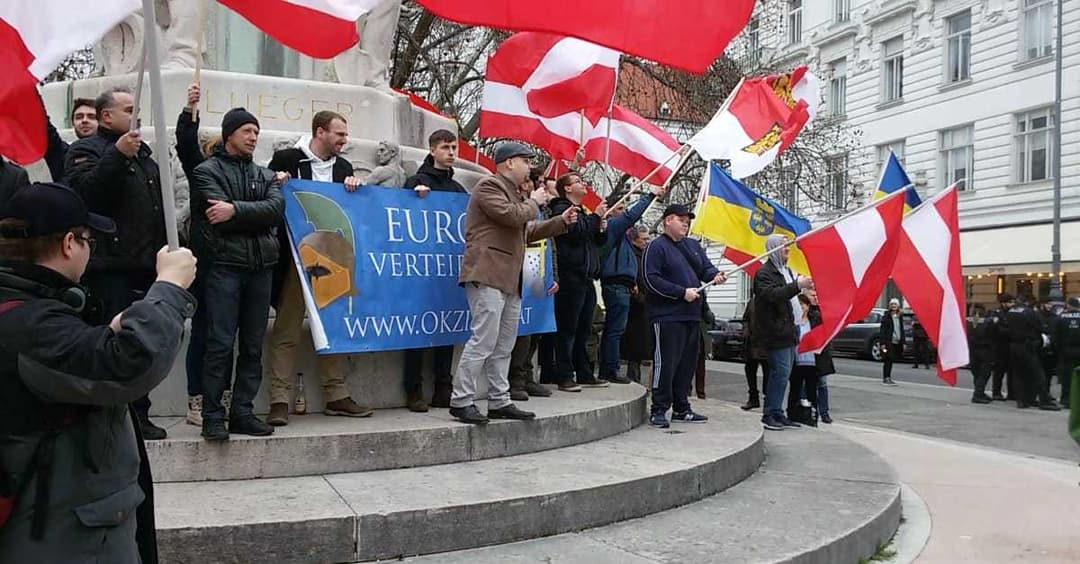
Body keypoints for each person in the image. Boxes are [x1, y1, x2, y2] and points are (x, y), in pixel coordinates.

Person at [0, 182, 196, 564]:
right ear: (69, 244)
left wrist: (104, 334)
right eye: (90, 240)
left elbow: (65, 365)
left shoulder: (26, 309)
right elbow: (127, 367)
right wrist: (169, 288)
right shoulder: (27, 324)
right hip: (60, 533)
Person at [64, 86, 169, 440]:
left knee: (141, 343)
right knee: (112, 343)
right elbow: (86, 196)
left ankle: (139, 414)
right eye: (128, 109)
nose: (135, 115)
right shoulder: (86, 150)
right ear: (106, 116)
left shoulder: (145, 155)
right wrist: (117, 157)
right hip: (110, 268)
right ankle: (109, 415)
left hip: (144, 265)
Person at [450, 142, 576, 424]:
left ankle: (499, 400)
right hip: (487, 273)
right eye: (525, 161)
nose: (529, 168)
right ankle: (461, 400)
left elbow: (525, 231)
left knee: (504, 345)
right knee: (483, 340)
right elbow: (512, 216)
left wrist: (559, 221)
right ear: (509, 163)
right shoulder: (489, 187)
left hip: (508, 278)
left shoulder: (514, 194)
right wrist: (536, 202)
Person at [266, 110, 369, 426]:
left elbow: (352, 213)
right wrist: (276, 182)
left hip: (333, 263)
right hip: (297, 262)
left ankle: (336, 394)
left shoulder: (343, 167)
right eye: (339, 134)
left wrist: (355, 188)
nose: (344, 140)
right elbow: (266, 198)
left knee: (335, 327)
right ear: (320, 132)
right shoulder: (286, 159)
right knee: (286, 330)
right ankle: (279, 400)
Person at [191, 107, 285, 440]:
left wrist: (237, 210)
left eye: (256, 132)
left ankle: (243, 411)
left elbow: (276, 209)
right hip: (224, 269)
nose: (253, 137)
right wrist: (249, 214)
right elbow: (216, 213)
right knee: (219, 344)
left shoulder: (265, 174)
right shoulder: (206, 171)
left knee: (253, 345)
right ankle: (213, 416)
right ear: (230, 134)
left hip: (261, 269)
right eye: (247, 131)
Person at [641, 204, 727, 428]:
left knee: (686, 365)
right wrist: (681, 293)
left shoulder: (693, 246)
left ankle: (681, 407)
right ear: (667, 220)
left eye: (687, 219)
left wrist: (715, 275)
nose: (686, 223)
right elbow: (650, 280)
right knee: (665, 364)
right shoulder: (656, 247)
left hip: (691, 316)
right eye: (681, 219)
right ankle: (659, 409)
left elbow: (705, 269)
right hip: (666, 316)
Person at [400, 130, 467, 411]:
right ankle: (413, 389)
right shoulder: (417, 182)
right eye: (445, 147)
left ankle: (443, 386)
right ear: (432, 149)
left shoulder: (457, 190)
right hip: (419, 271)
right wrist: (414, 199)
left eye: (454, 147)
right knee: (417, 329)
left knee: (446, 327)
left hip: (447, 268)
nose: (451, 152)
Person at [598, 186, 665, 384]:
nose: (623, 212)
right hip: (616, 285)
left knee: (616, 329)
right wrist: (651, 196)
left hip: (622, 285)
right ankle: (610, 368)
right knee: (615, 329)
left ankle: (609, 367)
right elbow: (631, 216)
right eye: (619, 208)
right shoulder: (611, 227)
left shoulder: (621, 236)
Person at [548, 172, 608, 390]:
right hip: (570, 276)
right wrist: (594, 219)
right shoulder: (561, 208)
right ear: (567, 189)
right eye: (578, 182)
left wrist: (601, 227)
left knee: (585, 328)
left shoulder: (584, 212)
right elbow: (573, 232)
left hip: (587, 277)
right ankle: (564, 374)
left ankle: (584, 371)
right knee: (567, 328)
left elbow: (594, 240)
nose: (584, 185)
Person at [753, 234, 813, 431]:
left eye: (788, 246)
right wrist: (797, 286)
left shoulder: (785, 270)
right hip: (777, 333)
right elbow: (772, 295)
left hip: (789, 331)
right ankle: (770, 413)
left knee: (784, 374)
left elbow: (789, 295)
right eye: (783, 246)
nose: (788, 249)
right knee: (779, 373)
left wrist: (801, 287)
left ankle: (778, 412)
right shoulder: (764, 273)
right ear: (772, 249)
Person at [507, 167, 558, 401]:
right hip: (520, 268)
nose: (540, 188)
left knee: (537, 325)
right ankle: (515, 380)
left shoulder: (543, 211)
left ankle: (528, 375)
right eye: (535, 183)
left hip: (539, 270)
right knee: (522, 329)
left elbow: (550, 244)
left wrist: (553, 275)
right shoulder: (520, 207)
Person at [1006, 294, 1060, 410]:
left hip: (1013, 345)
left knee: (1018, 374)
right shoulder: (1029, 312)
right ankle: (1044, 401)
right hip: (1027, 345)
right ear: (1028, 302)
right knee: (1038, 374)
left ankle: (1022, 400)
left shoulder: (1011, 311)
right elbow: (1039, 327)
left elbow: (1007, 327)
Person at [621, 225, 653, 384]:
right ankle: (633, 379)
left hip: (647, 305)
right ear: (634, 240)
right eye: (644, 239)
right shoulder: (631, 256)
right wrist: (639, 296)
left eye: (648, 238)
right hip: (636, 308)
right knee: (635, 348)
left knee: (644, 347)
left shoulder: (647, 255)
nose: (647, 242)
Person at [787, 294, 818, 426]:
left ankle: (812, 414)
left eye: (802, 305)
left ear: (808, 307)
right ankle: (792, 413)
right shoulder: (793, 322)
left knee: (812, 389)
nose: (800, 307)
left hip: (812, 360)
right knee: (795, 388)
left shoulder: (814, 320)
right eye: (798, 305)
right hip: (797, 360)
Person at [806, 288, 835, 423]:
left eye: (817, 295)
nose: (815, 297)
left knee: (822, 384)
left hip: (821, 352)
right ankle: (809, 410)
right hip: (807, 352)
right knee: (807, 384)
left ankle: (824, 412)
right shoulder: (805, 311)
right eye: (812, 295)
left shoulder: (823, 311)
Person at [740, 297, 769, 411]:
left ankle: (767, 398)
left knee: (768, 371)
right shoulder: (752, 302)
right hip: (752, 342)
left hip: (766, 342)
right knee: (750, 370)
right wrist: (746, 331)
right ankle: (753, 398)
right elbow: (746, 319)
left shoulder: (771, 299)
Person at [1054, 297, 1080, 408]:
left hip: (1066, 350)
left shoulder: (1061, 317)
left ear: (1068, 305)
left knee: (1067, 376)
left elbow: (1056, 335)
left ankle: (1066, 400)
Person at [989, 293, 1015, 400]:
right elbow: (997, 329)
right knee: (999, 371)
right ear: (1003, 303)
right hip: (1000, 346)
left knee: (1012, 372)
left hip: (1011, 345)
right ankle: (996, 392)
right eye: (1010, 302)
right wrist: (1011, 331)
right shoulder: (997, 314)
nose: (1012, 304)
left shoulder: (1013, 313)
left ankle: (1012, 393)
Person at [968, 304, 994, 404]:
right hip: (984, 350)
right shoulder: (988, 322)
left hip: (972, 351)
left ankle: (980, 392)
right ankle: (978, 395)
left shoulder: (968, 321)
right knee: (984, 374)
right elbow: (993, 336)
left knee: (977, 373)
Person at [878, 299, 904, 387]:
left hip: (897, 341)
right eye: (892, 304)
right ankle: (886, 378)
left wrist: (903, 342)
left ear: (898, 306)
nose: (894, 306)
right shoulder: (886, 317)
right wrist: (882, 343)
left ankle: (888, 377)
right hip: (888, 341)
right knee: (888, 359)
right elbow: (882, 331)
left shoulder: (899, 316)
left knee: (891, 359)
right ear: (890, 306)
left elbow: (901, 329)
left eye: (895, 304)